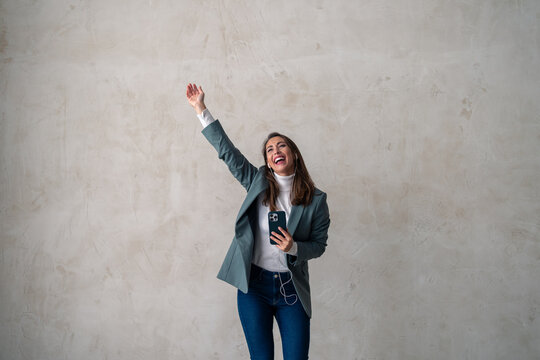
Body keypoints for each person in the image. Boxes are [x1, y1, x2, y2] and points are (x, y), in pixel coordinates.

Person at [186, 83, 330, 360]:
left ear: (293, 153)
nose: (275, 150)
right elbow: (227, 151)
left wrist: (295, 248)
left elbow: (319, 245)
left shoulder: (317, 200)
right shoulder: (257, 182)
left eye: (281, 145)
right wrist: (200, 109)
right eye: (269, 149)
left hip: (292, 291)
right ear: (267, 160)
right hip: (254, 287)